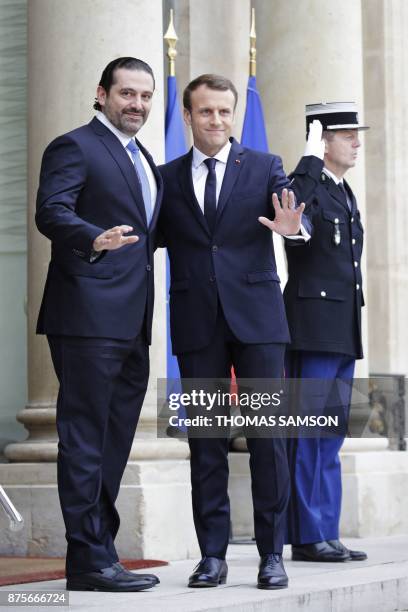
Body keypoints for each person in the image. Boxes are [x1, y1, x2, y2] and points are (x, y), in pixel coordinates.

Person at [158, 74, 324, 589]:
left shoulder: (264, 166)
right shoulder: (166, 176)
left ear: (235, 115)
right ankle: (212, 555)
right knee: (205, 442)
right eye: (206, 112)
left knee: (267, 439)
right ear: (187, 116)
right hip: (196, 322)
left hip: (256, 321)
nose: (216, 121)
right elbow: (150, 236)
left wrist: (293, 228)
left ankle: (271, 554)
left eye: (225, 112)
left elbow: (291, 215)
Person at [36, 57, 163, 592]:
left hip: (133, 323)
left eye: (144, 96)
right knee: (86, 438)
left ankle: (100, 550)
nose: (136, 104)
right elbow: (51, 211)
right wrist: (94, 238)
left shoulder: (146, 157)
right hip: (87, 316)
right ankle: (87, 560)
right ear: (102, 93)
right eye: (127, 93)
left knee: (113, 441)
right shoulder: (76, 146)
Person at [284, 102, 368, 562]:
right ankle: (307, 534)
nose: (356, 142)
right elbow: (291, 210)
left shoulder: (344, 192)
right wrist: (309, 160)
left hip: (340, 331)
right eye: (347, 134)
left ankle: (327, 531)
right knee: (308, 434)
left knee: (331, 435)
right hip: (312, 330)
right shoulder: (310, 185)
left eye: (357, 134)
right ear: (322, 139)